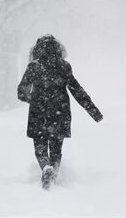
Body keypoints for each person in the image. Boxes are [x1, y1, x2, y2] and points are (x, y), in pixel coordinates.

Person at [17, 35, 102, 189]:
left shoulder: (34, 67)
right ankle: (54, 173)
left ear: (36, 50)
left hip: (38, 114)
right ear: (58, 48)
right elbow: (77, 90)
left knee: (40, 146)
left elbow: (21, 91)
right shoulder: (63, 66)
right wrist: (93, 111)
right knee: (56, 147)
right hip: (59, 112)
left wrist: (34, 99)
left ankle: (45, 168)